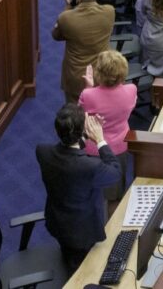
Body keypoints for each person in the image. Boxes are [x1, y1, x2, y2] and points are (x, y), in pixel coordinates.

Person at [35, 104, 123, 277]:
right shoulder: (90, 167)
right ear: (81, 131)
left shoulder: (42, 151)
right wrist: (100, 139)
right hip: (83, 234)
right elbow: (115, 172)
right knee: (82, 274)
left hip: (58, 224)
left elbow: (66, 151)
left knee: (69, 258)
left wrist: (82, 134)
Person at [78, 50, 137, 196]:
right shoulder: (132, 90)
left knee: (95, 192)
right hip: (120, 146)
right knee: (116, 191)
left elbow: (79, 115)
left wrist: (89, 87)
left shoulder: (88, 94)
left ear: (99, 73)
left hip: (94, 148)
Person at [51, 0, 115, 102]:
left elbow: (56, 35)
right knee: (97, 107)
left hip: (76, 76)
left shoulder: (66, 18)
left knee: (74, 112)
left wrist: (69, 6)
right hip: (101, 71)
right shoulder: (109, 11)